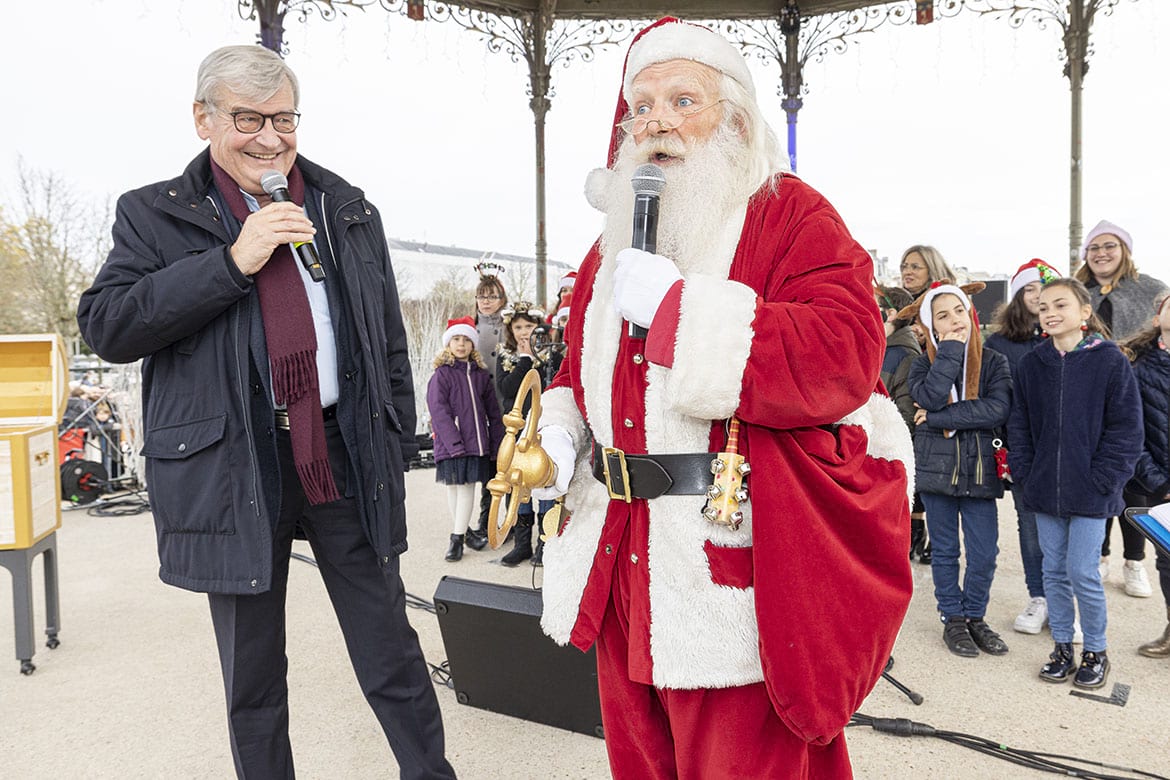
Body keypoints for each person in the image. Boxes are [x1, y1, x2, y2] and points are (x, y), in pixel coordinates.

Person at [529, 18, 913, 777]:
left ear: (734, 118)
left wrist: (679, 311)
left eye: (682, 99)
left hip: (729, 562)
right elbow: (579, 373)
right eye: (641, 105)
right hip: (621, 568)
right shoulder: (609, 242)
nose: (656, 121)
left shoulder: (791, 214)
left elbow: (845, 354)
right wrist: (563, 430)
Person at [75, 45, 455, 779]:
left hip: (341, 453)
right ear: (203, 119)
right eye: (248, 118)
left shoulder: (344, 206)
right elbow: (110, 326)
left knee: (391, 652)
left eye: (284, 118)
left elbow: (384, 339)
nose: (270, 137)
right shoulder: (152, 214)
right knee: (253, 678)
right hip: (234, 467)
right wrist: (230, 263)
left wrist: (392, 436)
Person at [1008, 278, 1142, 689]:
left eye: (1060, 304)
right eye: (1043, 306)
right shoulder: (1032, 364)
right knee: (1053, 572)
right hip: (1045, 490)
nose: (1049, 312)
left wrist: (1105, 479)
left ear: (1085, 313)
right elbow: (1020, 426)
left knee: (1083, 571)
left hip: (1091, 492)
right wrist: (1027, 475)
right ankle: (1063, 647)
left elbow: (1126, 429)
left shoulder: (1109, 361)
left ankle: (1096, 651)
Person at [902, 283, 1012, 658]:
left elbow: (996, 410)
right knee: (945, 551)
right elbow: (930, 394)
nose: (953, 320)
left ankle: (976, 616)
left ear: (971, 314)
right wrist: (949, 351)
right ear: (931, 326)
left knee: (984, 553)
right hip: (937, 471)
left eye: (959, 311)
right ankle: (954, 619)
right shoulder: (923, 363)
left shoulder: (995, 362)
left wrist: (935, 419)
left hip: (981, 471)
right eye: (942, 316)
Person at [1074, 220, 1167, 594]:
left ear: (1124, 250)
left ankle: (1134, 560)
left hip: (1138, 393)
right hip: (1092, 394)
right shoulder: (1080, 292)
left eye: (1109, 246)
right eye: (1094, 248)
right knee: (1097, 475)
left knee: (1134, 481)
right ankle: (1100, 556)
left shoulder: (1151, 289)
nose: (1101, 253)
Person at [985, 259, 1062, 635]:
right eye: (1030, 289)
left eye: (1045, 291)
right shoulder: (1000, 344)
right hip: (1023, 449)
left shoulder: (1067, 339)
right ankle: (1040, 596)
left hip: (1067, 450)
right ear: (1017, 295)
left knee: (1069, 529)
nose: (1038, 297)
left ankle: (1065, 600)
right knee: (1030, 526)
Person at [427, 317, 504, 562]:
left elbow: (493, 412)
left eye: (466, 340)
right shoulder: (442, 375)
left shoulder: (481, 376)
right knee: (454, 488)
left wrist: (497, 443)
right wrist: (454, 443)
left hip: (476, 443)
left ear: (473, 344)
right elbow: (438, 412)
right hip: (452, 442)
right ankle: (461, 535)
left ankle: (459, 537)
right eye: (456, 339)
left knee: (466, 488)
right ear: (448, 343)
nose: (461, 345)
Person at [1118, 294, 1170, 657]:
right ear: (1157, 319)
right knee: (1168, 559)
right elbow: (1130, 434)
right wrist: (1161, 484)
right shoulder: (1137, 368)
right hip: (1160, 482)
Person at [495, 300, 554, 567]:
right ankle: (521, 544)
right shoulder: (507, 358)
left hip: (541, 428)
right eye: (518, 326)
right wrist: (525, 360)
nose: (523, 331)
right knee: (518, 484)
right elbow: (507, 389)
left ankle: (544, 542)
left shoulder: (550, 356)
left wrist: (538, 358)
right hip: (517, 433)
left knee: (541, 483)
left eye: (528, 326)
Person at [875, 284, 923, 557]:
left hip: (884, 457)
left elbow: (905, 416)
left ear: (890, 313)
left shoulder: (905, 355)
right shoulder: (879, 347)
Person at [467, 261, 509, 552]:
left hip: (506, 405)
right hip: (480, 408)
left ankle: (515, 522)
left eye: (492, 296)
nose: (487, 301)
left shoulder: (509, 326)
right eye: (483, 296)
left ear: (502, 298)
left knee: (508, 464)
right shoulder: (469, 328)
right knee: (488, 468)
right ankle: (485, 520)